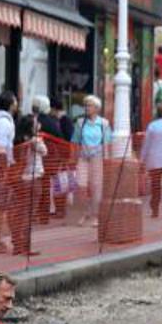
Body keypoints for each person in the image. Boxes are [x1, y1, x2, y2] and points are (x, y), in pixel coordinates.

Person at [71, 95, 111, 227]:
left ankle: (96, 216)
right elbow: (75, 141)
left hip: (97, 159)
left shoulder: (104, 124)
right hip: (83, 158)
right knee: (81, 186)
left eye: (89, 105)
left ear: (97, 108)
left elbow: (107, 143)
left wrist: (107, 160)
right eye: (86, 105)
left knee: (96, 187)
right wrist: (73, 158)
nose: (87, 108)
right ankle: (84, 213)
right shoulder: (80, 122)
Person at [11, 113, 45, 256]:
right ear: (31, 127)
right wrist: (39, 139)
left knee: (20, 212)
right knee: (29, 214)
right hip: (33, 179)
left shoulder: (19, 141)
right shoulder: (34, 141)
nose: (39, 124)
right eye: (36, 122)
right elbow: (45, 151)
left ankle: (17, 244)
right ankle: (25, 246)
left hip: (21, 179)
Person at [0, 91, 17, 254]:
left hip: (2, 166)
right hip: (2, 168)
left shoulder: (3, 121)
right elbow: (1, 149)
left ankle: (3, 238)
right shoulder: (4, 123)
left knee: (5, 203)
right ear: (11, 104)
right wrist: (6, 170)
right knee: (1, 204)